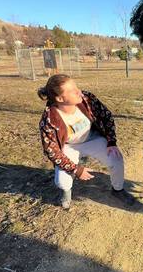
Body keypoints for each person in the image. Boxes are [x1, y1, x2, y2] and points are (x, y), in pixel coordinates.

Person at [38, 74, 135, 209]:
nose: (79, 92)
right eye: (72, 91)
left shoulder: (87, 99)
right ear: (60, 98)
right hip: (68, 146)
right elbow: (52, 151)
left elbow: (106, 116)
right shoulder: (49, 120)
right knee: (62, 181)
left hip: (92, 138)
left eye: (76, 87)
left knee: (116, 159)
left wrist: (111, 141)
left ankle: (117, 190)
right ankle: (66, 192)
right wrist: (76, 169)